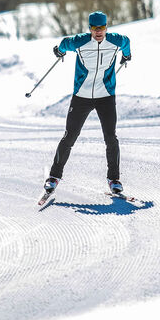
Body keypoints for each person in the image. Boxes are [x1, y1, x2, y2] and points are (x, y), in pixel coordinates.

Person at [44, 11, 131, 196]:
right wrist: (59, 51)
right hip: (81, 96)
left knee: (111, 138)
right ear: (89, 28)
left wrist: (126, 55)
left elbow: (127, 43)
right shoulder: (80, 42)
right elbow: (65, 43)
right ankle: (54, 176)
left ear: (106, 27)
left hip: (106, 96)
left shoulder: (115, 41)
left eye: (102, 27)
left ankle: (114, 179)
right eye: (94, 28)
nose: (98, 31)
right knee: (70, 136)